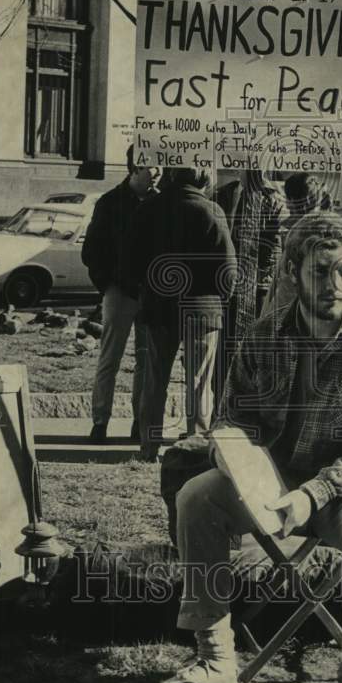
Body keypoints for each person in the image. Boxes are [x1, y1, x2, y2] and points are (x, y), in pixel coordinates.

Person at [152, 211, 342, 683]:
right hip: (268, 486)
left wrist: (312, 496)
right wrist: (236, 458)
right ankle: (216, 656)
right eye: (322, 271)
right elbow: (234, 418)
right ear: (293, 271)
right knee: (196, 497)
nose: (338, 284)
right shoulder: (263, 333)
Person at [132, 167, 237, 462]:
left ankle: (148, 447)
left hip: (158, 306)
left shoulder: (148, 208)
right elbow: (228, 269)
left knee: (154, 381)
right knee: (200, 384)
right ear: (202, 179)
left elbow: (130, 259)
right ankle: (194, 448)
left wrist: (146, 291)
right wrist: (220, 301)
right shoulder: (211, 210)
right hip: (202, 309)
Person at [81, 146, 161, 443]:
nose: (158, 173)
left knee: (145, 361)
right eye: (153, 167)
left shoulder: (160, 202)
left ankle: (139, 424)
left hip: (150, 294)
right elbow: (91, 251)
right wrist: (108, 286)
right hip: (119, 292)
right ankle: (100, 422)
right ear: (135, 168)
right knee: (110, 358)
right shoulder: (110, 202)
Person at [212, 168, 287, 414]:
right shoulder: (226, 194)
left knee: (253, 352)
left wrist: (255, 273)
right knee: (224, 353)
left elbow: (274, 246)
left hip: (257, 290)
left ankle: (245, 413)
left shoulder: (273, 199)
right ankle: (219, 411)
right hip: (229, 287)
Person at [260, 172, 334, 316]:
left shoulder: (299, 233)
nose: (286, 204)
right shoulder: (329, 226)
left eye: (289, 199)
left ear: (296, 201)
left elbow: (288, 282)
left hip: (293, 308)